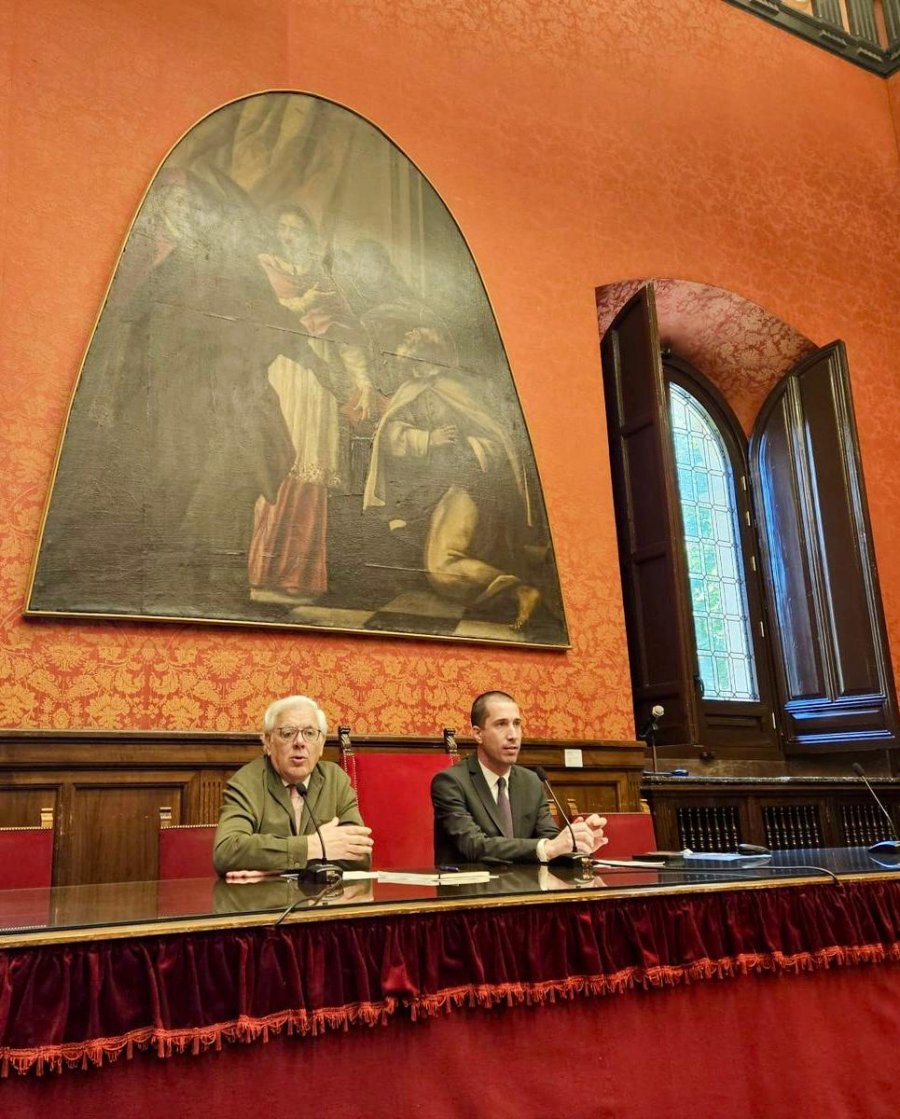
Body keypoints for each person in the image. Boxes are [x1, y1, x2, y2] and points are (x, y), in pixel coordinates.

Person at [363, 329, 542, 630]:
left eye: (417, 362)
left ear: (433, 358)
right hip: (424, 490)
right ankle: (514, 590)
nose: (413, 369)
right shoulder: (411, 391)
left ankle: (519, 590)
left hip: (464, 485)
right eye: (409, 363)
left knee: (442, 567)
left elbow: (499, 441)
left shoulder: (461, 389)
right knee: (437, 568)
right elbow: (389, 435)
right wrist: (427, 439)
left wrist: (467, 447)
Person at [431, 691, 607, 865]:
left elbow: (550, 841)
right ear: (478, 734)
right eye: (501, 724)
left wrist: (576, 843)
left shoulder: (531, 782)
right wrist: (549, 848)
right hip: (471, 890)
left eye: (517, 724)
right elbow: (474, 846)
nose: (513, 735)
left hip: (527, 888)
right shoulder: (451, 783)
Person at [213, 695, 373, 874]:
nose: (299, 742)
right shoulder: (247, 782)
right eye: (287, 733)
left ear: (321, 745)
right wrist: (311, 846)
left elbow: (360, 855)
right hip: (267, 900)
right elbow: (227, 852)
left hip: (323, 900)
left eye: (310, 733)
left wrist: (274, 868)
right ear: (268, 742)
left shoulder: (335, 780)